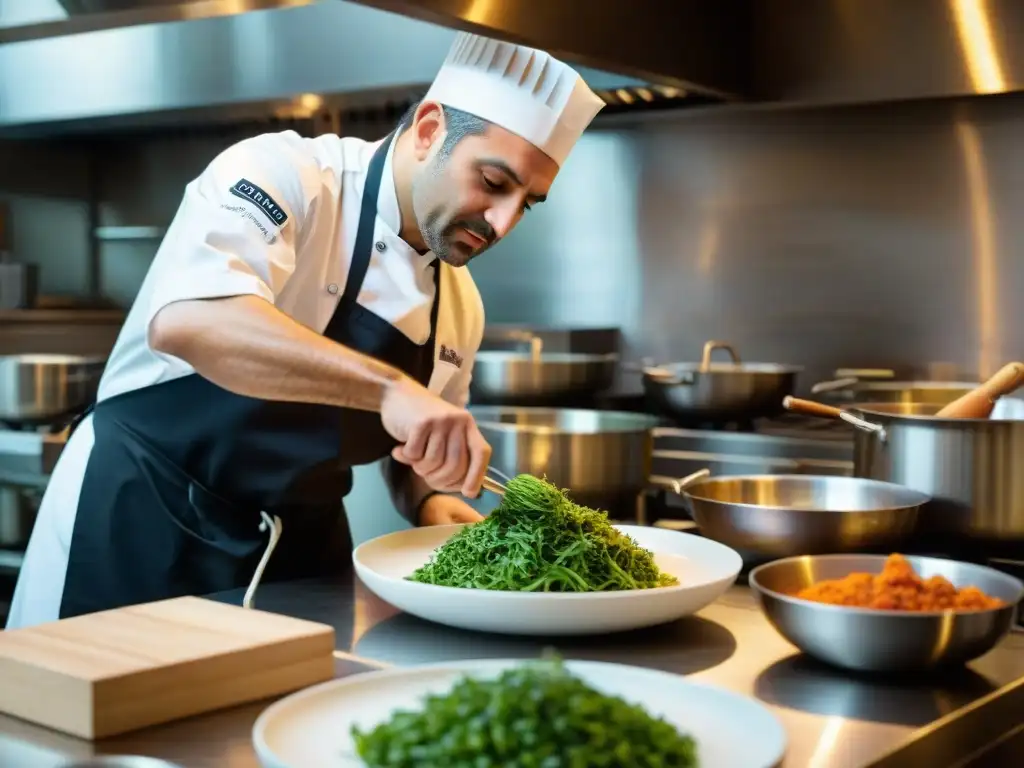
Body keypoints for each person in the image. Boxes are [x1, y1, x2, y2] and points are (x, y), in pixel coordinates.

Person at [6, 32, 605, 629]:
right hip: (139, 521)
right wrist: (391, 390)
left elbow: (416, 443)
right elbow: (192, 320)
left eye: (528, 203)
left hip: (300, 558)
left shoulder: (461, 305)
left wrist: (429, 495)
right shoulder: (285, 177)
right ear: (428, 131)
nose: (503, 222)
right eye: (494, 183)